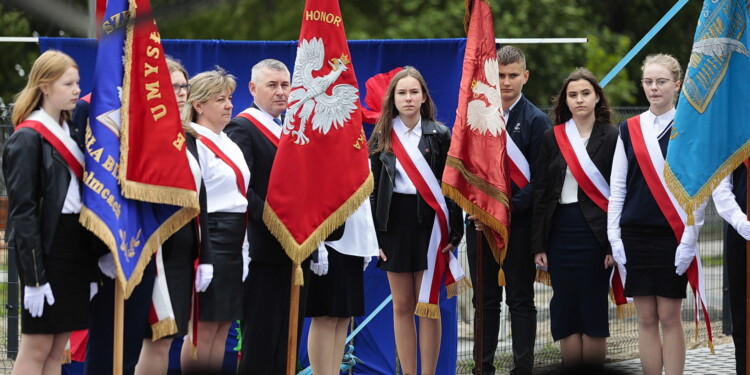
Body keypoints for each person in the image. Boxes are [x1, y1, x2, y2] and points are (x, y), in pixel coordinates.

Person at [608, 54, 705, 375]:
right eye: (648, 82)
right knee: (646, 318)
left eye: (661, 81)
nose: (654, 88)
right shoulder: (628, 129)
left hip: (672, 235)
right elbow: (618, 187)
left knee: (668, 317)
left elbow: (698, 190)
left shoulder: (690, 129)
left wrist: (690, 239)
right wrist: (614, 236)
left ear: (677, 85)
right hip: (634, 233)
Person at [368, 66, 464, 375]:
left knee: (428, 304)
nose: (408, 98)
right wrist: (375, 236)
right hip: (393, 223)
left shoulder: (439, 134)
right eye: (402, 93)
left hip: (431, 224)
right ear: (392, 99)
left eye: (414, 92)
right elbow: (372, 189)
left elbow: (452, 186)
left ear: (423, 97)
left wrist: (456, 227)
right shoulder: (381, 135)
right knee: (402, 304)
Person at [4, 49, 94, 375]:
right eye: (68, 83)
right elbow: (23, 211)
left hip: (73, 247)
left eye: (77, 83)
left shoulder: (71, 132)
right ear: (44, 86)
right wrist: (34, 278)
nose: (75, 90)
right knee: (36, 347)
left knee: (59, 348)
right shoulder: (27, 138)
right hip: (45, 249)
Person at [465, 45, 549, 375]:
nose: (506, 82)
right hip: (480, 225)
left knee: (520, 301)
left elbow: (541, 182)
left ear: (525, 77)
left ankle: (522, 368)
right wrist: (476, 207)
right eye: (499, 75)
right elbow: (465, 170)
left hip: (520, 226)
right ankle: (482, 369)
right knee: (484, 303)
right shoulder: (477, 116)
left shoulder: (536, 120)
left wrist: (505, 210)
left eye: (513, 75)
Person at [532, 68, 617, 370]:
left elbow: (618, 193)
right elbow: (541, 194)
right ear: (564, 101)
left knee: (593, 307)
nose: (579, 99)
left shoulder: (612, 136)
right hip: (560, 232)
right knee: (565, 307)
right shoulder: (551, 138)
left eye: (585, 93)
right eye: (572, 95)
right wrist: (539, 244)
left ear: (596, 97)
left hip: (596, 233)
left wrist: (612, 244)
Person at [223, 59, 301, 374]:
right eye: (273, 85)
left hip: (291, 248)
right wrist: (275, 221)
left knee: (285, 339)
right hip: (260, 249)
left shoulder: (288, 129)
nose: (281, 92)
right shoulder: (242, 127)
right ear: (253, 88)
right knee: (260, 339)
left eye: (285, 85)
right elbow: (242, 187)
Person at [135, 57, 211, 375]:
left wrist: (204, 254)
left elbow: (200, 201)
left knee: (169, 338)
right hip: (153, 251)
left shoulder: (189, 137)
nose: (180, 93)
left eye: (184, 86)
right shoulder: (142, 135)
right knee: (154, 338)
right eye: (173, 86)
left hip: (182, 254)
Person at [179, 67, 247, 374]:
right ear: (198, 105)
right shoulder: (192, 141)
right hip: (211, 235)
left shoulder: (228, 141)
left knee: (223, 327)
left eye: (230, 98)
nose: (229, 105)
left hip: (235, 239)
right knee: (203, 328)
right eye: (220, 99)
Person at [305, 200, 378, 375]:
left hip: (355, 238)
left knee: (343, 317)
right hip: (329, 237)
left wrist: (367, 239)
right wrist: (317, 240)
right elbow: (316, 190)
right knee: (325, 316)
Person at [713, 164, 748, 375]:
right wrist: (739, 221)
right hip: (742, 231)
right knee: (743, 316)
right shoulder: (734, 132)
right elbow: (720, 184)